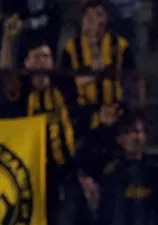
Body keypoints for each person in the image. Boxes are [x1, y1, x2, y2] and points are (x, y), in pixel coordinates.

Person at [2, 31, 78, 225]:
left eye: (47, 57)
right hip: (27, 172)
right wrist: (9, 39)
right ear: (26, 63)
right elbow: (5, 74)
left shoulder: (63, 88)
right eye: (37, 57)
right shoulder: (22, 90)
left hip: (61, 170)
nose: (43, 62)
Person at [61, 0, 136, 134]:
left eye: (99, 15)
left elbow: (131, 80)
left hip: (115, 111)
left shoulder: (121, 46)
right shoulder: (70, 49)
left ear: (106, 18)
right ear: (83, 19)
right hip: (82, 113)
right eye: (90, 16)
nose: (95, 21)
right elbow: (65, 85)